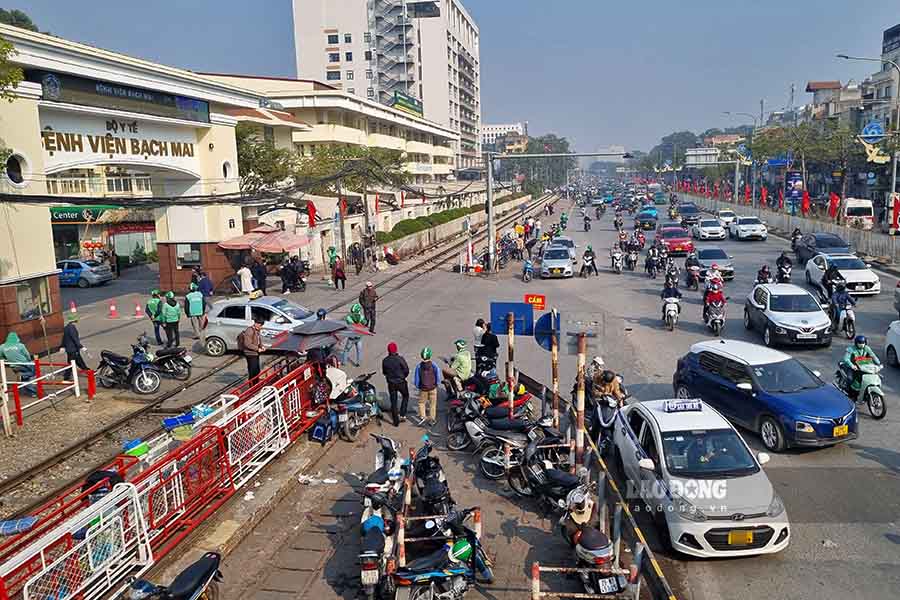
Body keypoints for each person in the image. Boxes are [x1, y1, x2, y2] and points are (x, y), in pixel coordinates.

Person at [381, 342, 410, 426]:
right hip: (401, 382)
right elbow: (406, 370)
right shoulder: (400, 359)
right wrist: (403, 377)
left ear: (388, 350)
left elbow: (384, 372)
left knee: (393, 401)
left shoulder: (385, 360)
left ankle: (395, 421)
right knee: (405, 396)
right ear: (396, 349)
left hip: (391, 383)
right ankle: (402, 414)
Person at [414, 347, 442, 427]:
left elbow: (416, 379)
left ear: (421, 356)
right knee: (432, 404)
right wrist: (436, 384)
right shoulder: (434, 365)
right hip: (433, 388)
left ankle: (423, 416)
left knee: (421, 402)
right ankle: (432, 419)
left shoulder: (419, 366)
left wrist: (418, 386)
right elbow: (438, 376)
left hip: (423, 389)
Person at [0, 331, 35, 396]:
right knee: (34, 372)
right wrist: (29, 360)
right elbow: (27, 355)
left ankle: (32, 392)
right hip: (24, 364)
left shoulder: (2, 347)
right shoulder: (21, 345)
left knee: (25, 379)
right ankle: (23, 376)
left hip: (14, 366)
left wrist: (8, 359)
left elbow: (1, 357)